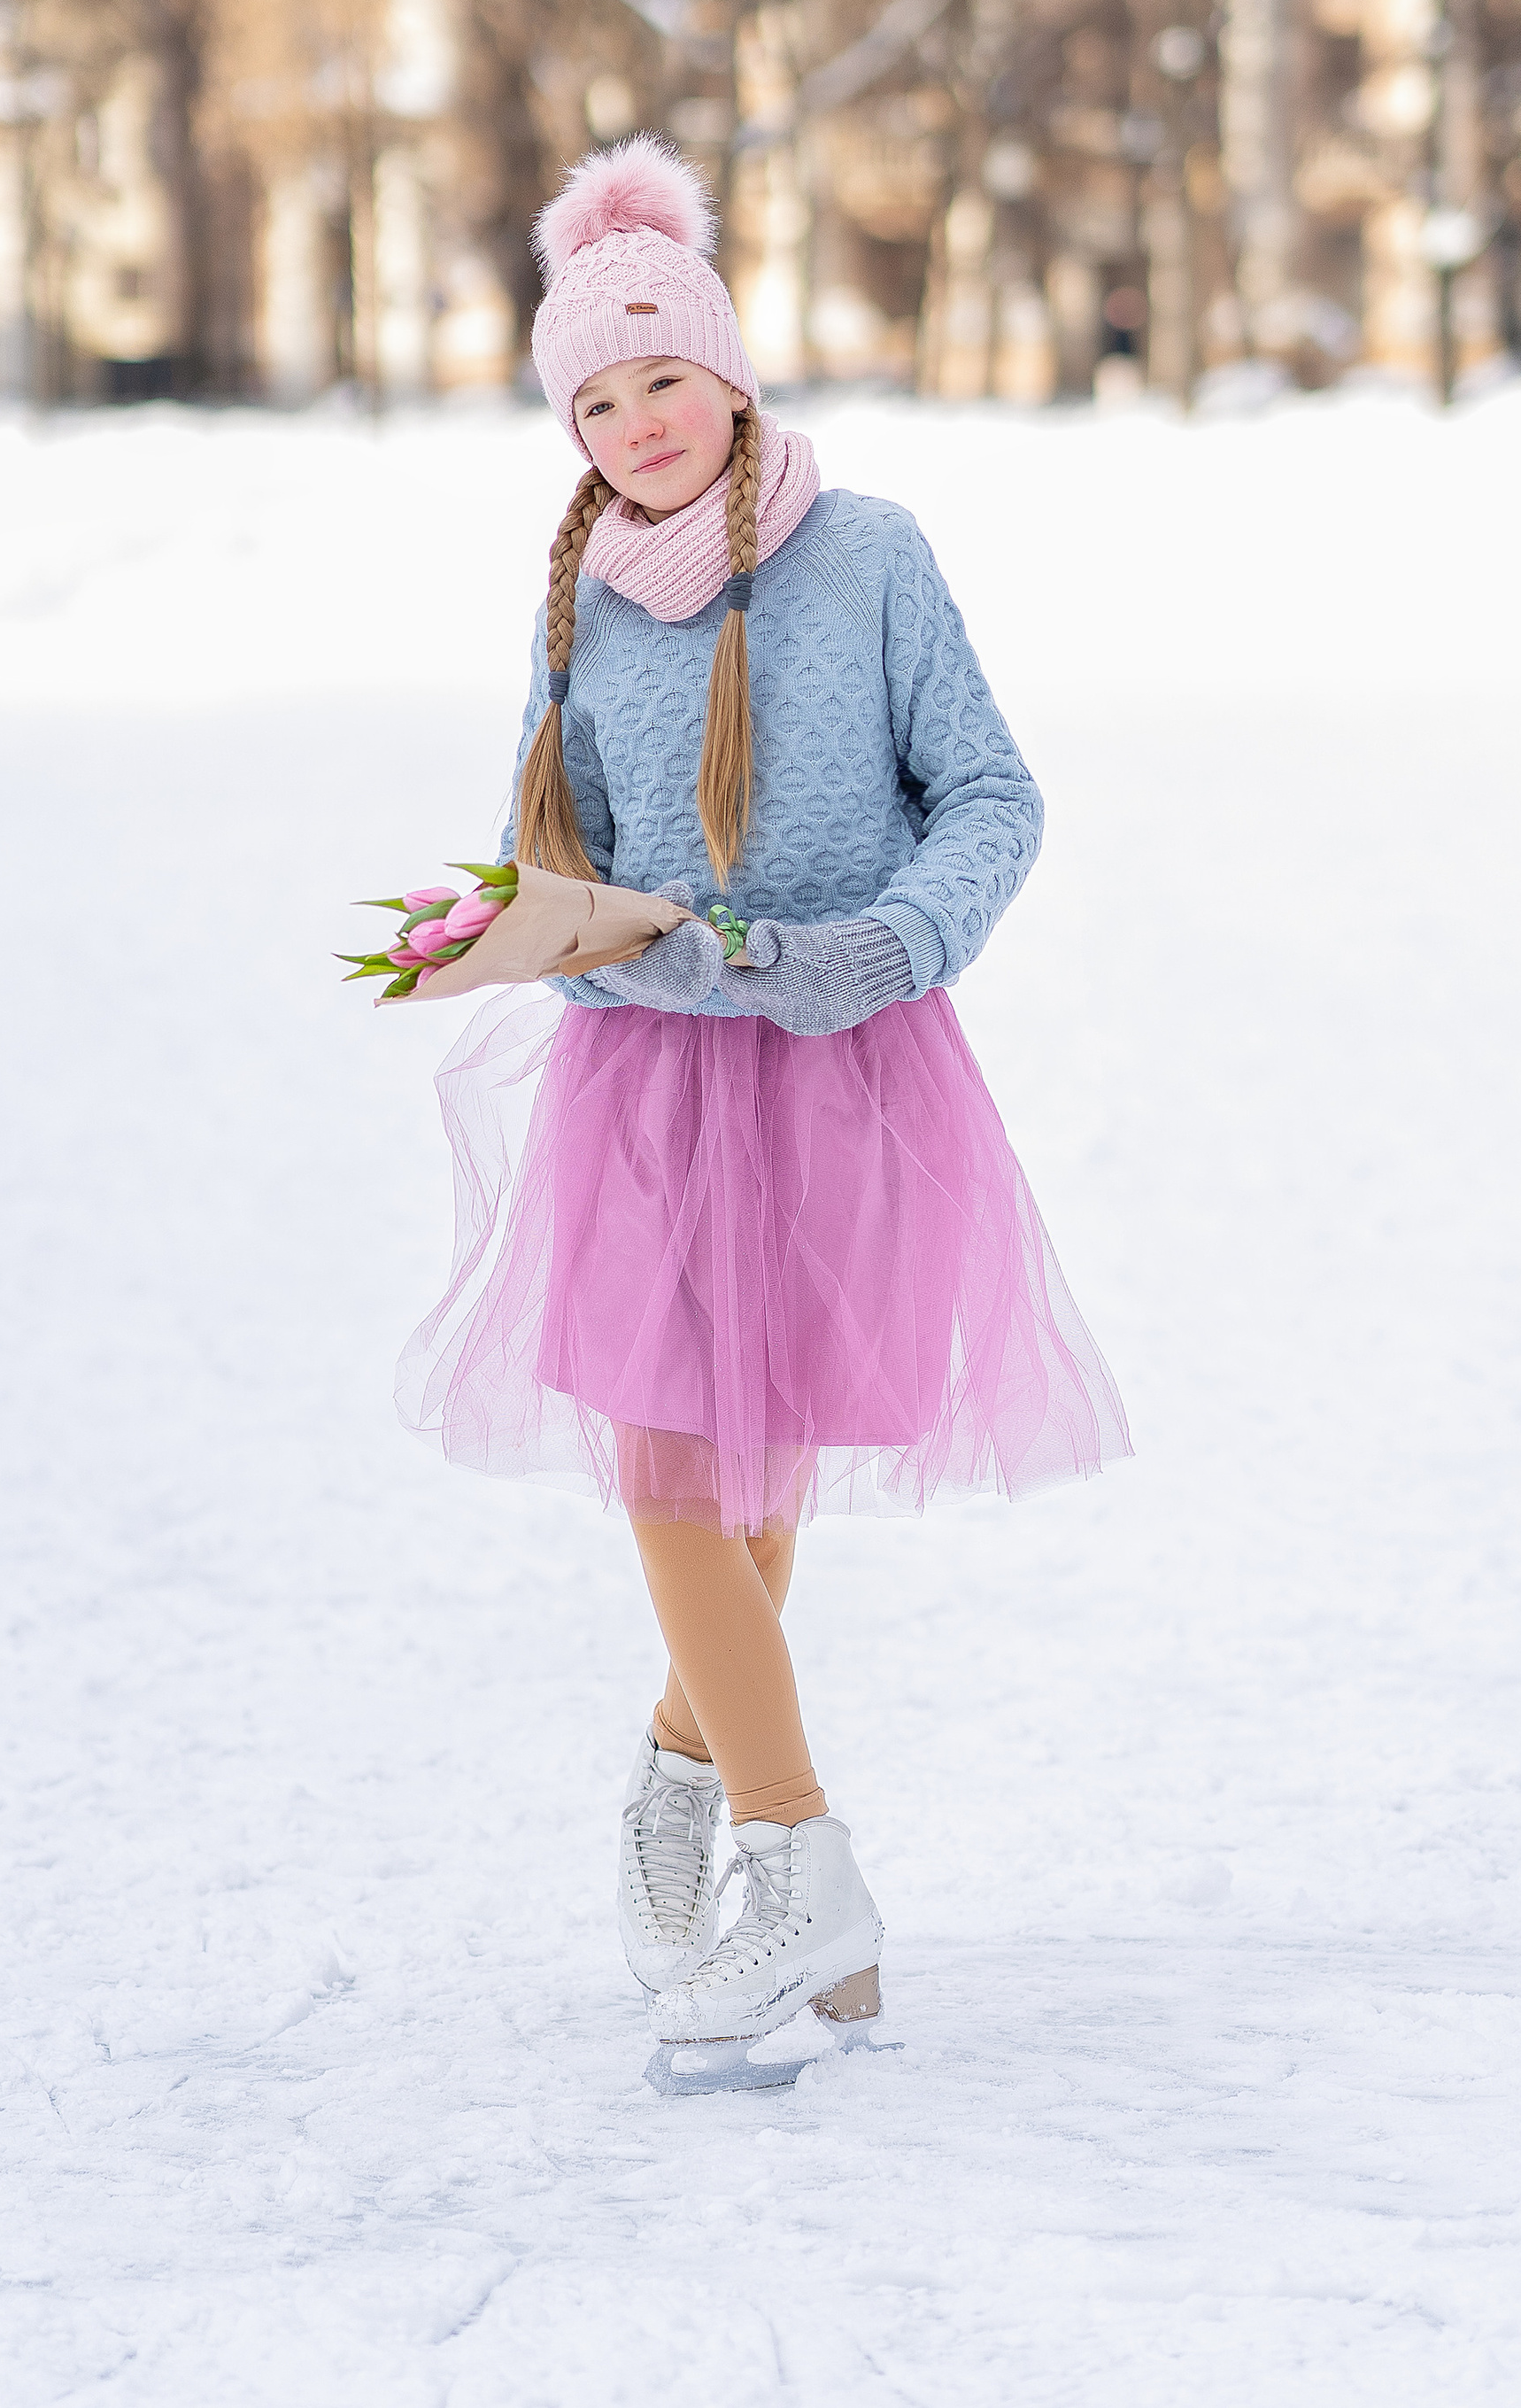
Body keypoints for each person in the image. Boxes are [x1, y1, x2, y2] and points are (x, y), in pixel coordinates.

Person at [396, 137, 1130, 2077]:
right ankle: (794, 1860)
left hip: (840, 1077)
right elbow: (542, 855)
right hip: (646, 1086)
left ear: (730, 377)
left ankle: (692, 1779)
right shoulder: (574, 610)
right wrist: (517, 930)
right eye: (595, 395)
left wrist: (878, 947)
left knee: (758, 1476)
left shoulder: (867, 555)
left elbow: (991, 797)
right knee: (666, 1471)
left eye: (663, 377)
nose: (635, 421)